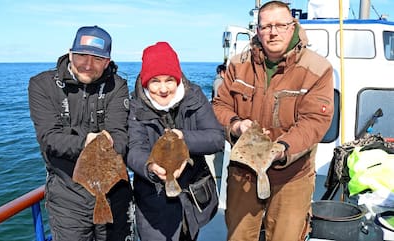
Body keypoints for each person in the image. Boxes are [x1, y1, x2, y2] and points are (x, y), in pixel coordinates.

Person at [212, 1, 334, 241]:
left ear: (293, 26)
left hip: (292, 174)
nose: (273, 32)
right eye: (266, 26)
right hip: (244, 171)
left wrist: (282, 149)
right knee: (238, 236)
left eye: (280, 25)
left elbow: (314, 121)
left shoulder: (318, 69)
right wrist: (236, 125)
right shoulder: (237, 64)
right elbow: (220, 106)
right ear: (257, 30)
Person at [28, 26, 134, 241]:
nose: (87, 64)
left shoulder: (118, 85)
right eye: (81, 56)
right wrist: (87, 141)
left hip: (114, 191)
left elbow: (121, 135)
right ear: (70, 54)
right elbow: (49, 138)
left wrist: (109, 141)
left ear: (107, 61)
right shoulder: (42, 85)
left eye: (96, 59)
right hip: (67, 196)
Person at [127, 42, 225, 241]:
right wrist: (151, 167)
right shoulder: (135, 107)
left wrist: (184, 138)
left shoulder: (194, 96)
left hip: (193, 197)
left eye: (169, 80)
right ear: (146, 82)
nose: (163, 89)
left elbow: (216, 138)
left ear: (178, 79)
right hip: (154, 199)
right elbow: (134, 149)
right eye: (155, 81)